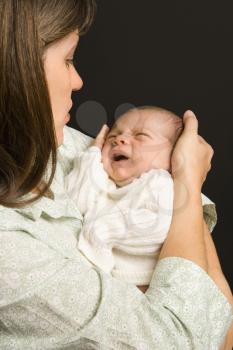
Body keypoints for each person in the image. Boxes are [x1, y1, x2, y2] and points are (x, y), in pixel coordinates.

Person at [0, 1, 232, 349]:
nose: (78, 81)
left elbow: (222, 320)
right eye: (67, 59)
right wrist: (187, 180)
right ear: (20, 69)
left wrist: (182, 183)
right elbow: (184, 340)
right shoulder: (11, 253)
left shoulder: (57, 147)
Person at [66, 106, 217, 292]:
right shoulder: (105, 185)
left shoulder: (161, 184)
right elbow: (76, 202)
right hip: (114, 288)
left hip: (154, 287)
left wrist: (102, 230)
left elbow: (160, 225)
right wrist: (92, 156)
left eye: (140, 136)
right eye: (112, 137)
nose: (119, 140)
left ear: (172, 156)